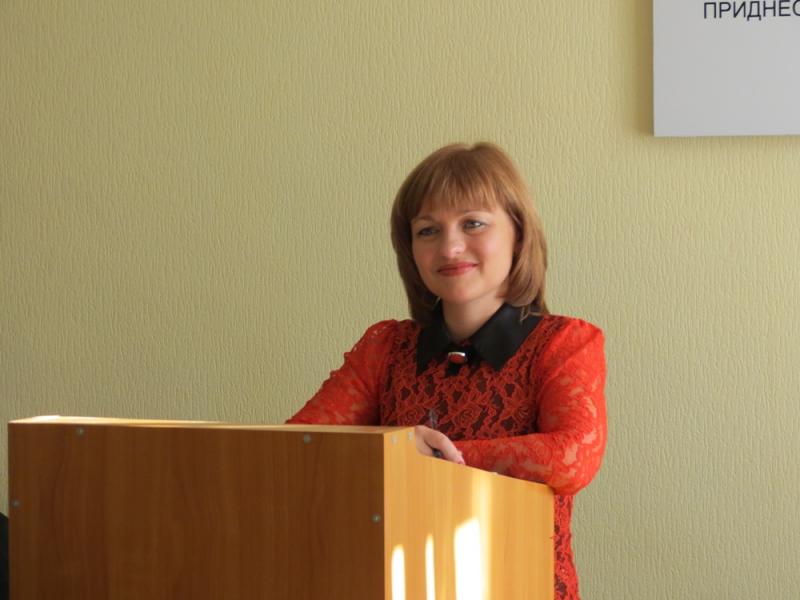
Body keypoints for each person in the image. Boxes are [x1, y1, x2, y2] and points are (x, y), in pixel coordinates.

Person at [288, 142, 607, 600]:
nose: (450, 247)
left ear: (519, 233)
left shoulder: (564, 342)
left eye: (473, 223)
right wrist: (397, 447)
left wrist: (429, 459)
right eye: (428, 230)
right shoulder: (385, 346)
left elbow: (572, 457)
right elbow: (297, 447)